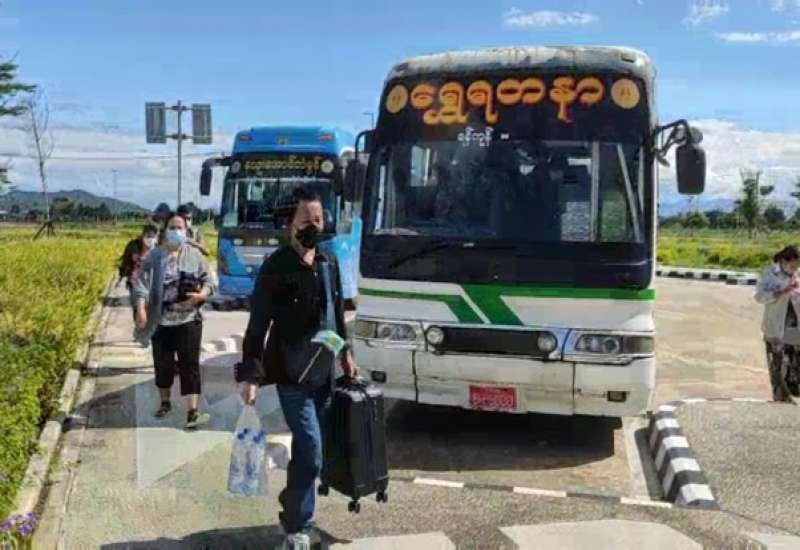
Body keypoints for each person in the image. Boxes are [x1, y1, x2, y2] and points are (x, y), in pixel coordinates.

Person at [239, 187, 358, 550]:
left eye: (318, 220)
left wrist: (345, 354)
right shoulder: (277, 267)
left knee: (309, 454)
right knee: (312, 450)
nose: (314, 227)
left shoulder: (328, 262)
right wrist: (250, 374)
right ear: (290, 223)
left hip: (324, 373)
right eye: (307, 220)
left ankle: (292, 505)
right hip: (292, 376)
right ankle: (298, 527)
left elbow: (336, 315)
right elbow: (257, 325)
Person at [133, 212, 217, 429]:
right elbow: (141, 284)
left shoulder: (195, 255)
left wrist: (202, 295)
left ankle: (192, 411)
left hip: (189, 320)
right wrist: (141, 309)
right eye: (172, 227)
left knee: (190, 366)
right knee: (163, 365)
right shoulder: (155, 256)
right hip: (161, 322)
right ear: (165, 230)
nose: (176, 231)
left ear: (186, 231)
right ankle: (165, 403)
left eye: (180, 227)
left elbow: (209, 280)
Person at [754, 245, 800, 403]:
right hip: (775, 327)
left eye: (797, 266)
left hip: (794, 327)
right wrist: (782, 292)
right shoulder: (770, 274)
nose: (795, 269)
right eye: (793, 266)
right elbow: (759, 297)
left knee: (794, 362)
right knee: (776, 364)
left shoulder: (796, 274)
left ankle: (791, 390)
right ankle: (781, 398)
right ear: (784, 261)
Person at [118, 223, 159, 318]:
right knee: (138, 312)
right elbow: (126, 263)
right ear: (142, 236)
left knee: (151, 313)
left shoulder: (158, 250)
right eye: (148, 236)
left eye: (152, 236)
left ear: (156, 238)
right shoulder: (134, 248)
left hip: (152, 286)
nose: (150, 239)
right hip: (136, 285)